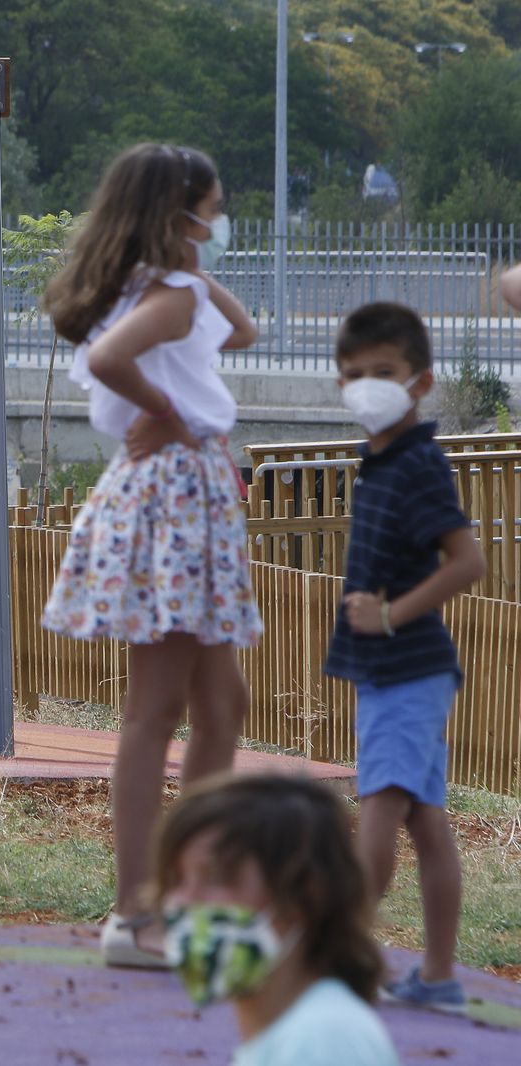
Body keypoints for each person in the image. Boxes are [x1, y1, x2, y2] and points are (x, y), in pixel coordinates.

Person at [39, 143, 263, 968]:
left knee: (222, 704)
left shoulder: (168, 290)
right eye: (211, 208)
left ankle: (185, 896)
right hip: (176, 496)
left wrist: (192, 266)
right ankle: (138, 913)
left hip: (188, 495)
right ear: (181, 214)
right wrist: (166, 410)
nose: (220, 221)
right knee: (157, 708)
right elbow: (109, 361)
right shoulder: (165, 298)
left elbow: (245, 330)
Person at [325, 303, 486, 1014]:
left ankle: (346, 961)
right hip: (401, 672)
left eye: (383, 372)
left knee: (380, 812)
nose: (366, 386)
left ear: (419, 381)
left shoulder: (417, 463)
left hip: (405, 668)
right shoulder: (385, 462)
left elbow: (468, 562)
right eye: (353, 374)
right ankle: (439, 977)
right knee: (425, 822)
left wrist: (390, 615)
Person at [155, 772, 398, 1066]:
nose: (183, 901)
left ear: (303, 895)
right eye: (176, 880)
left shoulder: (321, 1043)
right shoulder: (296, 1032)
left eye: (217, 877)